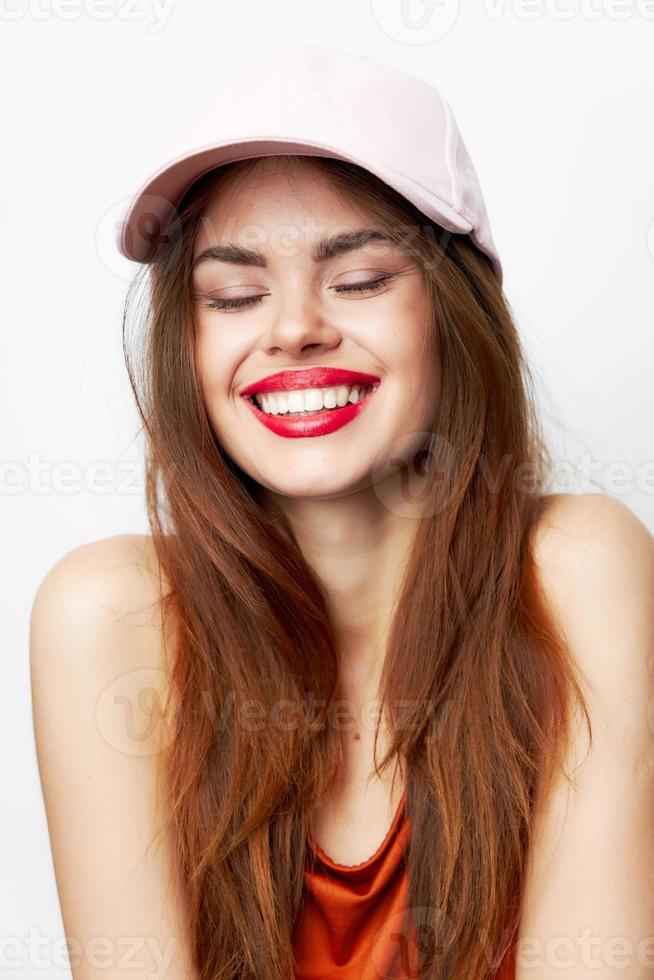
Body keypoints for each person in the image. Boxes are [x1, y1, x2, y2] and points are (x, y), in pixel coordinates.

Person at [30, 44, 654, 980]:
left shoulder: (578, 570)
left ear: (455, 313)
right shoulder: (110, 617)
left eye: (359, 279)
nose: (292, 329)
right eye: (234, 294)